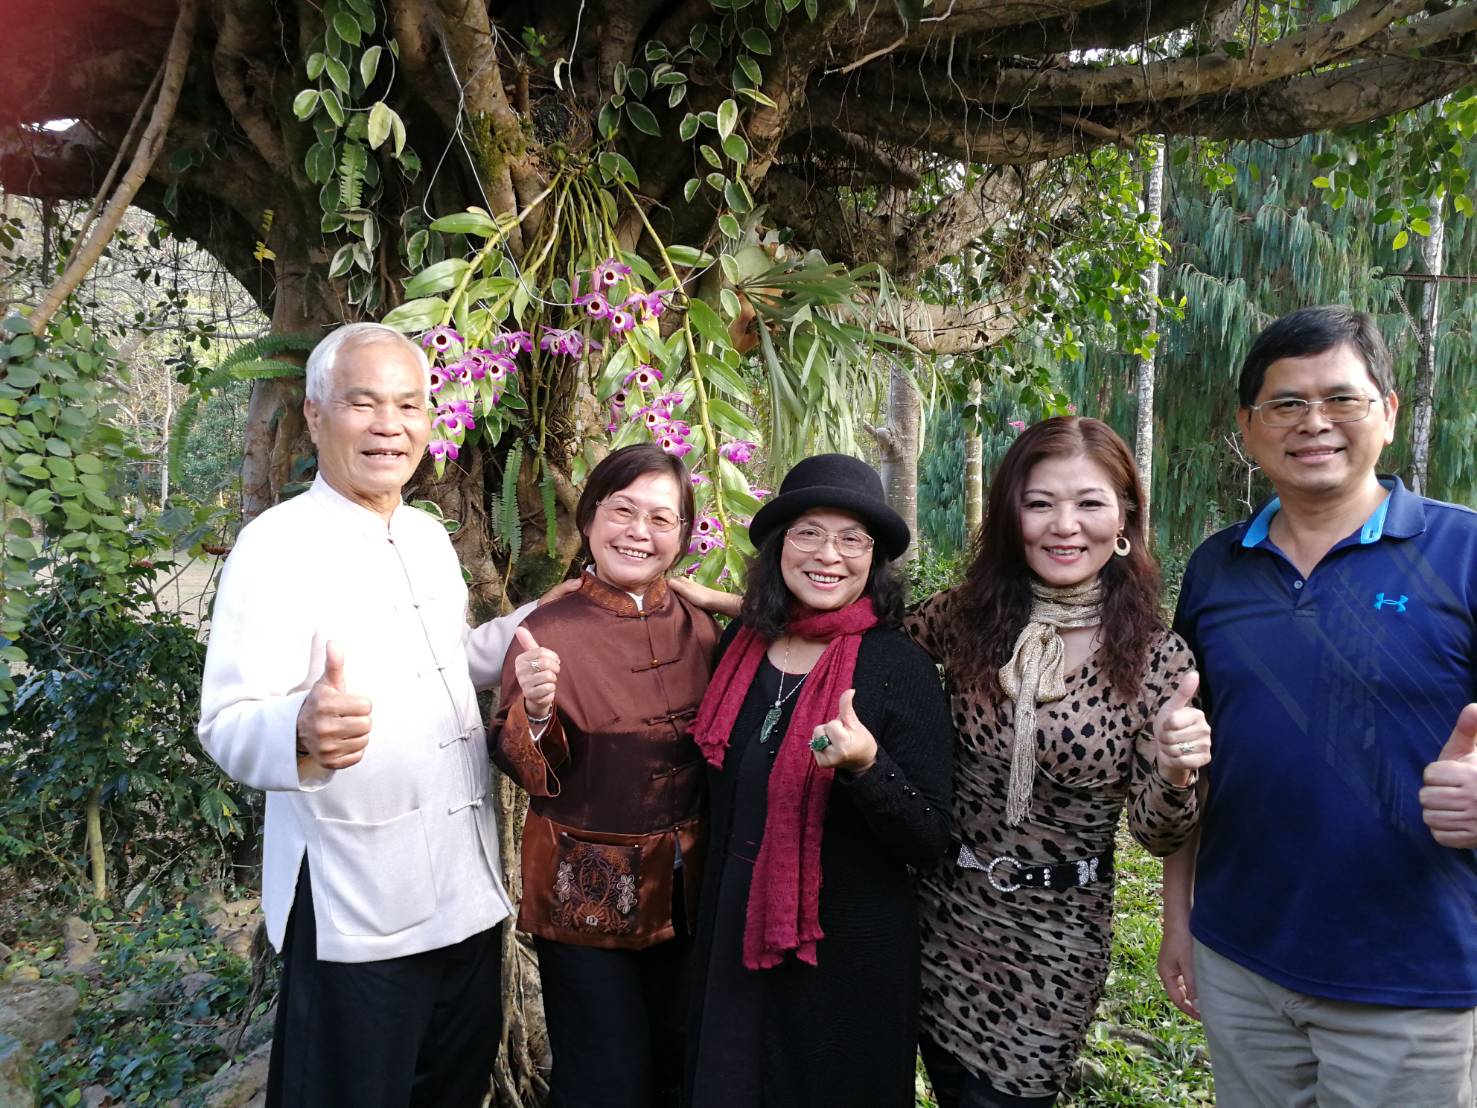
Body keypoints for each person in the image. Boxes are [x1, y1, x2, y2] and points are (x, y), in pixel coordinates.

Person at [198, 322, 551, 1106]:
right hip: (354, 905)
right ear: (317, 417)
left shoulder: (426, 536)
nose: (390, 425)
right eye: (363, 403)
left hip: (463, 894)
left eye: (408, 404)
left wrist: (550, 617)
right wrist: (297, 728)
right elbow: (225, 720)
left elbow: (446, 662)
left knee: (448, 1089)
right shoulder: (275, 545)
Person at [1158, 305, 1477, 1107]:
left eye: (1341, 399)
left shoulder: (1462, 552)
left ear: (1389, 413)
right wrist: (1176, 917)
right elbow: (1195, 755)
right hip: (1241, 963)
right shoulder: (1216, 569)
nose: (1314, 424)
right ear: (1248, 425)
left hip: (1412, 975)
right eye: (1286, 403)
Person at [904, 417, 1211, 1106]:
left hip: (1056, 935)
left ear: (1124, 516)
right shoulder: (966, 617)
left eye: (1089, 503)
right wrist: (752, 610)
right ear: (1012, 515)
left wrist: (1173, 769)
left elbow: (1157, 834)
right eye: (1039, 502)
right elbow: (859, 647)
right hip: (937, 918)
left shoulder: (1156, 658)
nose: (1063, 526)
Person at [683, 453, 955, 1108]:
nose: (828, 555)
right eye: (808, 532)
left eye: (851, 539)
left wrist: (867, 768)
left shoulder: (896, 668)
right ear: (779, 546)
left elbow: (929, 839)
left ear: (873, 558)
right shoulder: (742, 647)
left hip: (842, 960)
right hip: (731, 931)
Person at [491, 442, 721, 1108]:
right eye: (622, 511)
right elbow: (528, 771)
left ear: (682, 535)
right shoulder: (546, 629)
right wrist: (536, 713)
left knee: (685, 1065)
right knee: (603, 1081)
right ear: (589, 519)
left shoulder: (700, 625)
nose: (638, 532)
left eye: (661, 518)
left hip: (692, 892)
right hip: (584, 899)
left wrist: (724, 599)